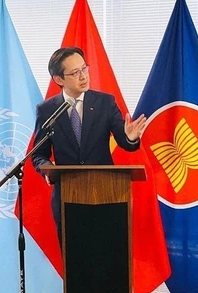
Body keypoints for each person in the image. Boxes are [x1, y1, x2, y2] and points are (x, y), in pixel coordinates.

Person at [32, 47, 146, 233]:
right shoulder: (47, 110)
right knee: (73, 258)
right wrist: (47, 170)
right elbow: (38, 153)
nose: (83, 76)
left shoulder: (105, 103)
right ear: (59, 79)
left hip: (106, 193)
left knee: (109, 257)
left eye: (84, 69)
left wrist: (130, 137)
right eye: (75, 73)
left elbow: (125, 142)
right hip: (67, 197)